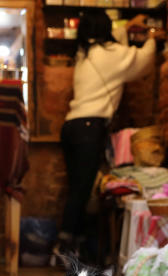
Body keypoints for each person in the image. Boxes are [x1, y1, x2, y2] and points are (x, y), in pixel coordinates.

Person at [59, 10, 157, 262]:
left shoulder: (84, 53)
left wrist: (127, 27)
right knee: (83, 191)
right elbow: (143, 59)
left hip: (71, 127)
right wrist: (153, 37)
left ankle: (73, 246)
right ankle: (65, 246)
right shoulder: (111, 55)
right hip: (90, 128)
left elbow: (114, 42)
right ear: (105, 27)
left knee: (77, 189)